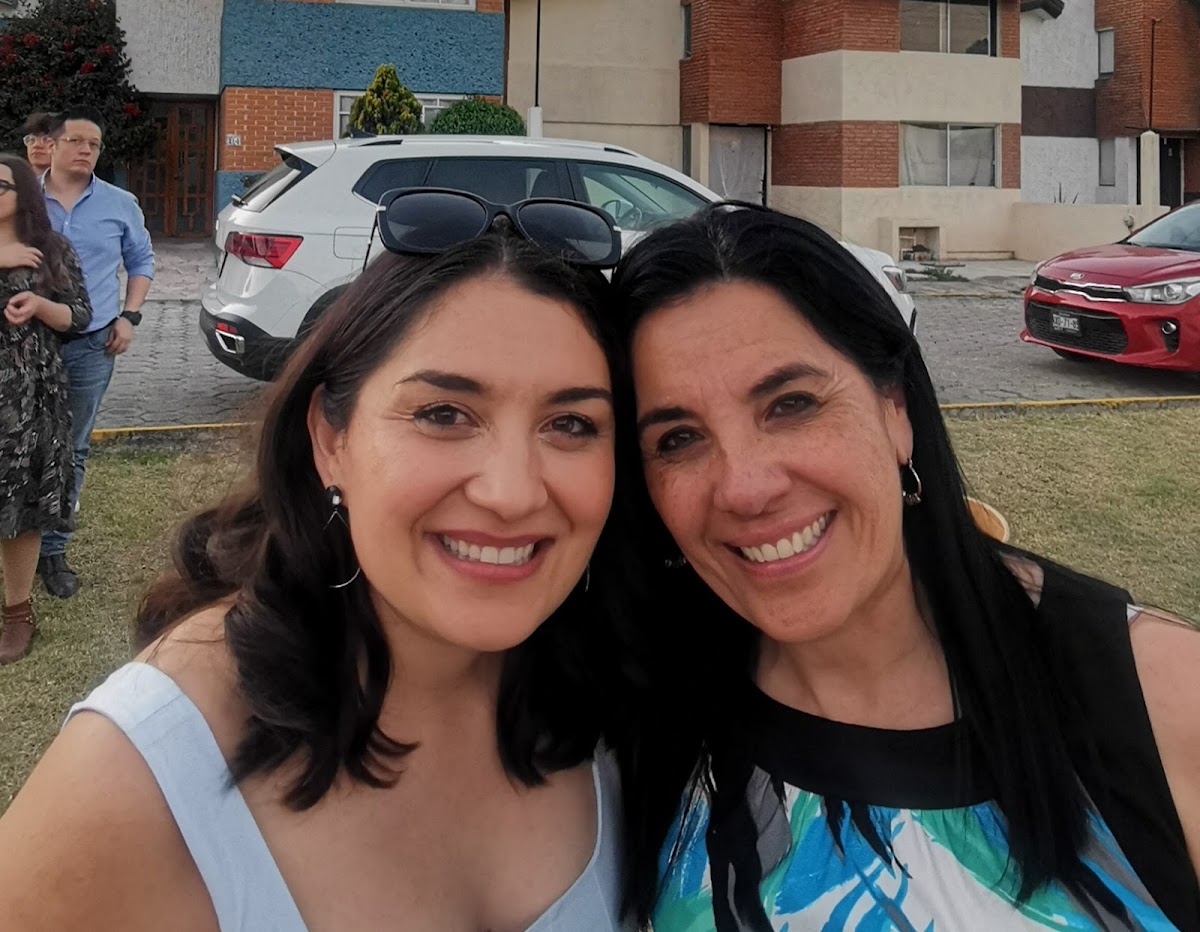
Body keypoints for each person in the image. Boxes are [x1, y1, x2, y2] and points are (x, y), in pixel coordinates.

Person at [0, 189, 639, 930]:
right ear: (331, 439)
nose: (512, 492)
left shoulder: (617, 699)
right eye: (443, 414)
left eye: (571, 424)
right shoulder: (137, 775)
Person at [611, 204, 1200, 931]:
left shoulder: (1161, 697)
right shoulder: (636, 717)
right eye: (677, 439)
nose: (744, 487)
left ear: (894, 408)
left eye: (791, 404)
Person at [37, 106, 154, 599]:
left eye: (95, 144)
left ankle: (52, 549)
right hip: (28, 344)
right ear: (52, 144)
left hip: (92, 344)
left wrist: (129, 317)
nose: (87, 150)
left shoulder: (120, 204)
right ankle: (18, 533)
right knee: (21, 441)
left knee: (72, 447)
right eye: (77, 141)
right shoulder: (22, 198)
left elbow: (141, 262)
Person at [0, 155, 92, 664]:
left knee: (21, 503)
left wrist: (39, 305)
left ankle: (18, 613)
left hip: (29, 396)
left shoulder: (51, 249)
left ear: (23, 195)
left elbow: (79, 315)